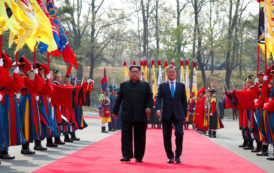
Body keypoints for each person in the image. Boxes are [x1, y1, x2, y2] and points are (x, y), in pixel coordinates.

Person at [113, 65, 153, 163]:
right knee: (126, 136)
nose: (134, 73)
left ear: (140, 74)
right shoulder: (124, 85)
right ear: (129, 73)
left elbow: (150, 98)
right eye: (132, 72)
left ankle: (139, 156)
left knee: (140, 136)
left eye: (136, 72)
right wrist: (115, 111)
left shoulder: (145, 85)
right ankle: (126, 155)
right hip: (127, 114)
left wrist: (149, 107)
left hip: (141, 115)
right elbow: (119, 99)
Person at [156, 65, 187, 164]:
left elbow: (184, 101)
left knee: (179, 133)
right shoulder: (162, 86)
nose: (171, 73)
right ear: (166, 73)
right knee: (166, 136)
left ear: (176, 73)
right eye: (169, 72)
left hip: (179, 114)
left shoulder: (181, 85)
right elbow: (158, 98)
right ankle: (170, 156)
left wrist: (185, 114)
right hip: (166, 114)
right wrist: (157, 109)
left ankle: (178, 155)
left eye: (173, 72)